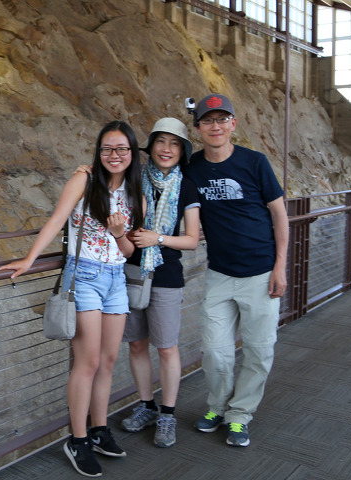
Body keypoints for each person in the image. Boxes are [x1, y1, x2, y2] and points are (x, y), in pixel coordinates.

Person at [0, 121, 145, 477]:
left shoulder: (136, 194)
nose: (115, 156)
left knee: (109, 361)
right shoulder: (83, 180)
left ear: (132, 154)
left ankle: (99, 429)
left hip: (115, 279)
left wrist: (119, 233)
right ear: (98, 152)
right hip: (84, 276)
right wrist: (30, 258)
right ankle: (77, 439)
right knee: (88, 362)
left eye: (122, 149)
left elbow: (128, 252)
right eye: (107, 149)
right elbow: (56, 221)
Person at [183, 93, 289, 447]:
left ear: (233, 123)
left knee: (260, 350)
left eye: (222, 119)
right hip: (220, 275)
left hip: (261, 275)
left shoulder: (255, 163)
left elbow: (279, 216)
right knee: (215, 351)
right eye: (208, 120)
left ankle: (240, 414)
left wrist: (280, 268)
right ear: (198, 127)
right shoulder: (192, 168)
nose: (216, 126)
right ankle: (217, 406)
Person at [119, 118, 201, 448]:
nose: (167, 149)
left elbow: (193, 239)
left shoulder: (188, 186)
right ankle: (146, 406)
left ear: (182, 151)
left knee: (166, 346)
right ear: (151, 146)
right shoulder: (132, 177)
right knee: (136, 343)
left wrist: (158, 238)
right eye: (161, 142)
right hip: (130, 272)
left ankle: (167, 413)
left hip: (166, 276)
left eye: (175, 143)